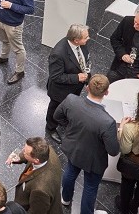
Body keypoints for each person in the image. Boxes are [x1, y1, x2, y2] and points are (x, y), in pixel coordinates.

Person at [54, 74, 120, 214]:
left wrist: (71, 128)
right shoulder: (108, 122)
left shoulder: (71, 100)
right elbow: (113, 150)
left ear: (87, 88)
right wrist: (119, 132)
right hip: (94, 159)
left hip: (73, 148)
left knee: (70, 172)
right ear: (106, 92)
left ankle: (65, 199)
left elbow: (57, 116)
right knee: (90, 187)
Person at [46, 24, 91, 144]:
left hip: (75, 86)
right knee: (54, 108)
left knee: (68, 105)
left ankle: (64, 118)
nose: (89, 39)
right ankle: (50, 128)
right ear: (76, 40)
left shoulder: (82, 44)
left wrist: (87, 79)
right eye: (86, 37)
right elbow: (55, 76)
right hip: (59, 91)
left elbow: (85, 62)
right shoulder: (58, 53)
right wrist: (77, 77)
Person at [4, 137, 63, 214]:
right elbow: (28, 155)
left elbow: (36, 211)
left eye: (25, 152)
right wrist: (18, 158)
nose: (22, 152)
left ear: (36, 160)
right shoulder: (46, 151)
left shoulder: (40, 190)